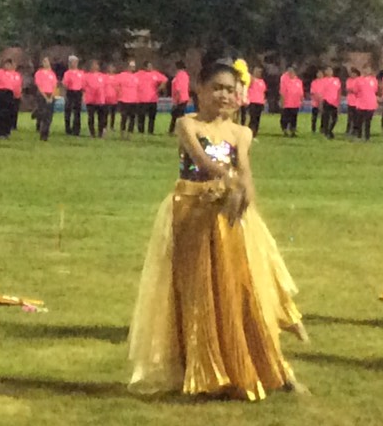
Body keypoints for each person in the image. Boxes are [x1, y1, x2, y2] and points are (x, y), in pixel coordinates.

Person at [127, 61, 304, 400]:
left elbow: (245, 169)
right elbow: (202, 162)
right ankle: (202, 370)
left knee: (239, 287)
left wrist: (245, 192)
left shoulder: (241, 133)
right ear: (200, 89)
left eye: (230, 89)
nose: (223, 95)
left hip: (229, 215)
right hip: (192, 213)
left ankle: (259, 366)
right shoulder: (187, 124)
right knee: (197, 292)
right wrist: (229, 180)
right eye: (217, 88)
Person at [0, 59, 22, 139]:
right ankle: (0, 132)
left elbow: (17, 85)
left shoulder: (15, 74)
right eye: (6, 64)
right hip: (1, 92)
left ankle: (7, 131)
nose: (7, 66)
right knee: (0, 113)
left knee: (9, 113)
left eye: (9, 65)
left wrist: (17, 94)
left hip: (10, 94)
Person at [33, 56, 58, 141]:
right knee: (43, 114)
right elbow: (39, 86)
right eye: (44, 61)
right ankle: (42, 132)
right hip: (42, 95)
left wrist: (51, 96)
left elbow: (54, 86)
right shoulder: (39, 73)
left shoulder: (52, 74)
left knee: (49, 116)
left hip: (51, 94)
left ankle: (46, 133)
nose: (46, 63)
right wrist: (45, 97)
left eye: (47, 61)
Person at [62, 55, 85, 136]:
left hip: (78, 92)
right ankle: (68, 129)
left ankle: (76, 130)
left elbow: (83, 84)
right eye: (73, 62)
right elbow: (65, 84)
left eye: (76, 62)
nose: (75, 64)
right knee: (68, 111)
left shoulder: (81, 73)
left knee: (77, 112)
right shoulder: (67, 73)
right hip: (70, 92)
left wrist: (83, 94)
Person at [84, 60, 108, 137]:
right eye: (93, 65)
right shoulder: (86, 76)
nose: (95, 66)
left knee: (101, 117)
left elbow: (105, 86)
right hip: (90, 100)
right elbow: (84, 87)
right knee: (91, 117)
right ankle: (92, 132)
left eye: (96, 65)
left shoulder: (102, 76)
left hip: (100, 100)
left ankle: (100, 132)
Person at [278, 67, 303, 137]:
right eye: (289, 72)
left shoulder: (298, 81)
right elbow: (282, 91)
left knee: (294, 118)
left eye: (292, 72)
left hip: (295, 103)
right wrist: (282, 101)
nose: (291, 73)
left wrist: (301, 100)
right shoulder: (285, 81)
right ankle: (285, 130)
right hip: (287, 103)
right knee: (285, 118)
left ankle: (293, 130)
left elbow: (301, 92)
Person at [169, 61, 191, 131]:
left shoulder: (179, 76)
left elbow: (178, 89)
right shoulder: (186, 75)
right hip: (184, 97)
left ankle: (174, 130)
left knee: (176, 115)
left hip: (179, 98)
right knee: (179, 115)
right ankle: (176, 130)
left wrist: (176, 100)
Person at [244, 66, 266, 136]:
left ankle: (255, 131)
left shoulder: (262, 81)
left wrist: (264, 100)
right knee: (252, 117)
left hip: (260, 102)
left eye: (259, 72)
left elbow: (263, 91)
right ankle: (250, 131)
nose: (258, 73)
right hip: (252, 101)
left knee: (257, 118)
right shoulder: (251, 79)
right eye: (257, 71)